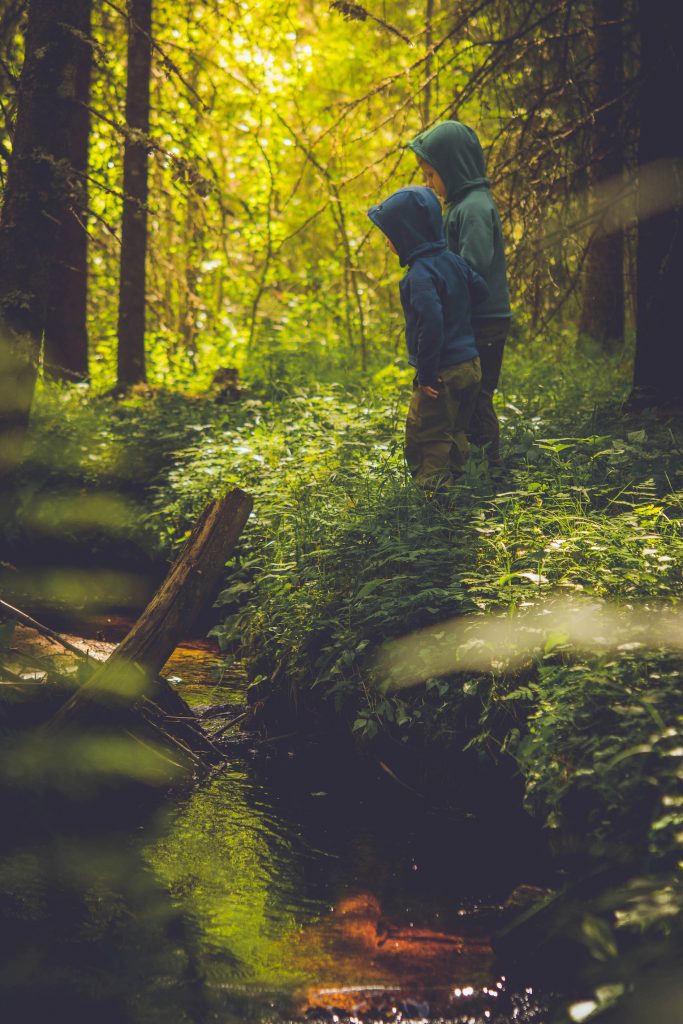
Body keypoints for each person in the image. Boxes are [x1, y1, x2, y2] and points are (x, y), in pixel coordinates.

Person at [367, 185, 488, 490]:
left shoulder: (420, 274)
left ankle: (435, 503)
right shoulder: (453, 261)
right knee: (456, 430)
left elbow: (431, 323)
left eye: (390, 234)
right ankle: (458, 485)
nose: (386, 241)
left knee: (428, 434)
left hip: (442, 374)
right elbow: (481, 291)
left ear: (408, 235)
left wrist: (427, 374)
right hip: (470, 366)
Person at [408, 121, 511, 467]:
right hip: (473, 318)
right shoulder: (462, 205)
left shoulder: (475, 208)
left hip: (485, 321)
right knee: (469, 394)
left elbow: (473, 266)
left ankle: (488, 465)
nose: (429, 183)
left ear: (453, 169)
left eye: (431, 175)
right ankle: (468, 462)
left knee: (477, 394)